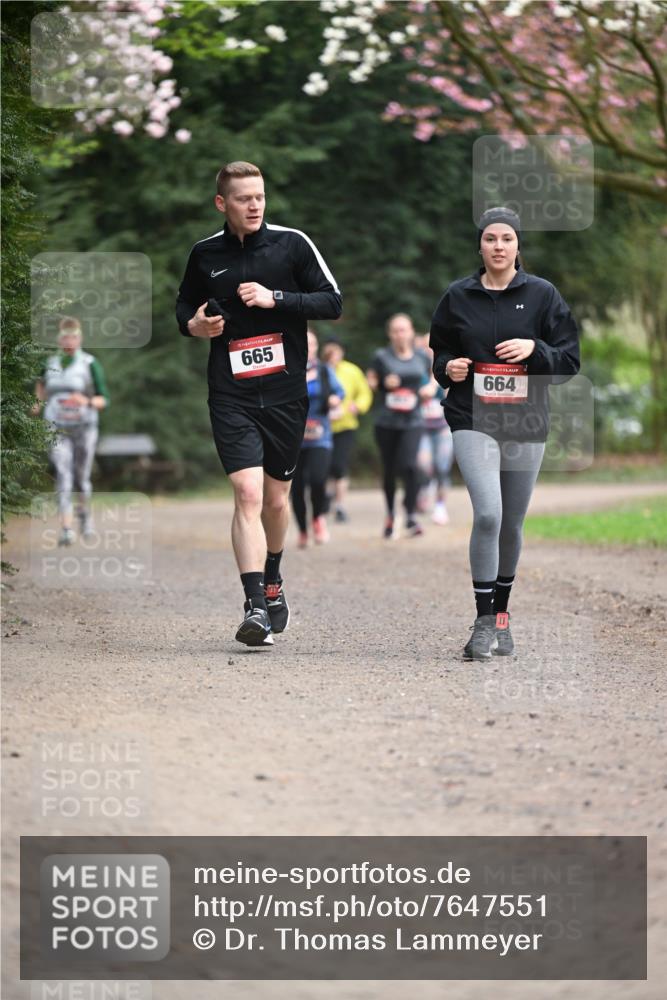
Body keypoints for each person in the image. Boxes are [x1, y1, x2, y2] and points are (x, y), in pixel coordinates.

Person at [176, 161, 342, 647]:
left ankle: (273, 576)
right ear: (221, 203)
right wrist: (195, 327)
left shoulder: (292, 244)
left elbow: (332, 301)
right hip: (232, 392)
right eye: (244, 198)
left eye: (260, 197)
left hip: (287, 393)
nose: (255, 205)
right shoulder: (205, 254)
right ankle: (254, 607)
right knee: (247, 495)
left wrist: (277, 298)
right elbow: (184, 308)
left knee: (275, 499)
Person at [430, 206, 579, 661]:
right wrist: (447, 369)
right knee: (489, 515)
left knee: (512, 523)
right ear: (480, 245)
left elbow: (569, 361)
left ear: (518, 246)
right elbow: (440, 357)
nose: (498, 246)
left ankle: (501, 617)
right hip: (472, 417)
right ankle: (481, 619)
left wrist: (535, 349)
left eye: (507, 239)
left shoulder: (542, 295)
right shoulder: (458, 296)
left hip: (525, 422)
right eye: (491, 239)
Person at [34, 317, 109, 546]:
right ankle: (66, 528)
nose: (69, 340)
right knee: (63, 473)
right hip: (56, 427)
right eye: (65, 336)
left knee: (81, 477)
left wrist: (85, 400)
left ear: (79, 338)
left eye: (73, 336)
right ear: (59, 339)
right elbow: (40, 384)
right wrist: (37, 403)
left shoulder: (89, 363)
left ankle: (84, 518)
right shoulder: (50, 362)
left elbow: (103, 399)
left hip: (84, 427)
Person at [367, 313, 432, 539]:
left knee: (410, 465)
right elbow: (371, 380)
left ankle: (411, 512)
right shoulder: (381, 356)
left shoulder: (422, 357)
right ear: (389, 334)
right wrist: (383, 383)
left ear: (411, 331)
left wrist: (430, 389)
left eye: (403, 329)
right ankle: (391, 514)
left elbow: (434, 376)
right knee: (390, 470)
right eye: (395, 330)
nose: (399, 334)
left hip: (413, 419)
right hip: (387, 421)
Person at [291, 330, 345, 548]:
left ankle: (318, 519)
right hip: (293, 436)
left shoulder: (324, 371)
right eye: (305, 343)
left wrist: (334, 399)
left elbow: (339, 392)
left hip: (320, 435)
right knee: (296, 487)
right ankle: (303, 530)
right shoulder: (288, 369)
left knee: (317, 480)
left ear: (316, 347)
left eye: (312, 343)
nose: (309, 347)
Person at [321, 336, 373, 523]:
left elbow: (365, 393)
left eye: (337, 351)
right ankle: (325, 498)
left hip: (346, 426)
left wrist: (357, 406)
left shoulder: (352, 371)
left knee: (339, 466)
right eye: (329, 351)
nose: (333, 355)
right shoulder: (317, 370)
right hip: (321, 427)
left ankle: (340, 506)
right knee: (323, 466)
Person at [414, 335, 453, 526]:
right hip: (421, 427)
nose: (428, 350)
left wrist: (437, 383)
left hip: (443, 426)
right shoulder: (415, 371)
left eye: (432, 346)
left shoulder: (448, 368)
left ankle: (440, 506)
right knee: (423, 465)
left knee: (442, 467)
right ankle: (426, 486)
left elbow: (453, 395)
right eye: (425, 347)